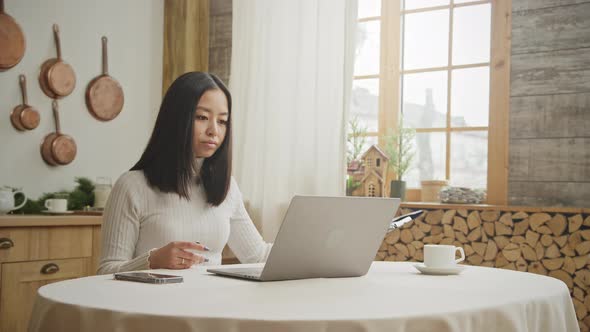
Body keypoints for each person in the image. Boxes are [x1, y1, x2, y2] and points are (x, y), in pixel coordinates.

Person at [97, 72, 272, 274]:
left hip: (210, 304)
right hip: (152, 304)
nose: (214, 130)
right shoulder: (132, 186)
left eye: (222, 121)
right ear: (176, 119)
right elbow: (105, 273)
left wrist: (312, 253)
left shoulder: (227, 188)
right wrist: (152, 261)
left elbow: (258, 256)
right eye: (202, 117)